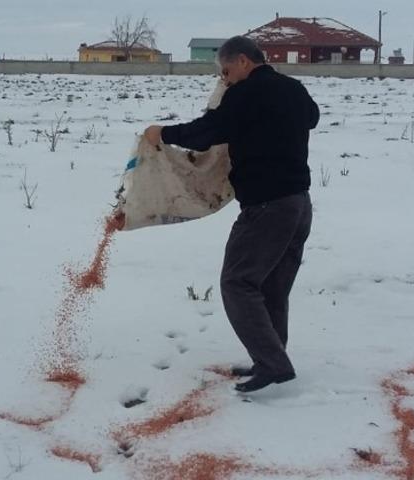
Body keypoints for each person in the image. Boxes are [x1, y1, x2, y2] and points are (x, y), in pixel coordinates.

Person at [144, 36, 319, 393]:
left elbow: (207, 132)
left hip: (267, 207)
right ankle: (269, 358)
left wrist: (161, 133)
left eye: (225, 71)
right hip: (299, 205)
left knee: (237, 283)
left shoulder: (245, 94)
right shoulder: (293, 89)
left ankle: (273, 363)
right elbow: (312, 118)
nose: (224, 80)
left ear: (242, 61)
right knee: (271, 287)